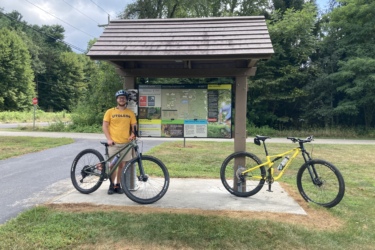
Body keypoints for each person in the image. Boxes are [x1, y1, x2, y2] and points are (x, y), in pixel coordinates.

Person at [103, 90, 137, 195]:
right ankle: (111, 185)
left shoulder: (130, 113)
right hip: (114, 143)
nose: (121, 99)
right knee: (112, 165)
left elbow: (134, 126)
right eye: (119, 97)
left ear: (126, 100)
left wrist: (133, 134)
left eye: (123, 98)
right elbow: (105, 126)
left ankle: (118, 185)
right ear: (117, 99)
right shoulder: (110, 112)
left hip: (125, 144)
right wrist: (109, 139)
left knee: (122, 165)